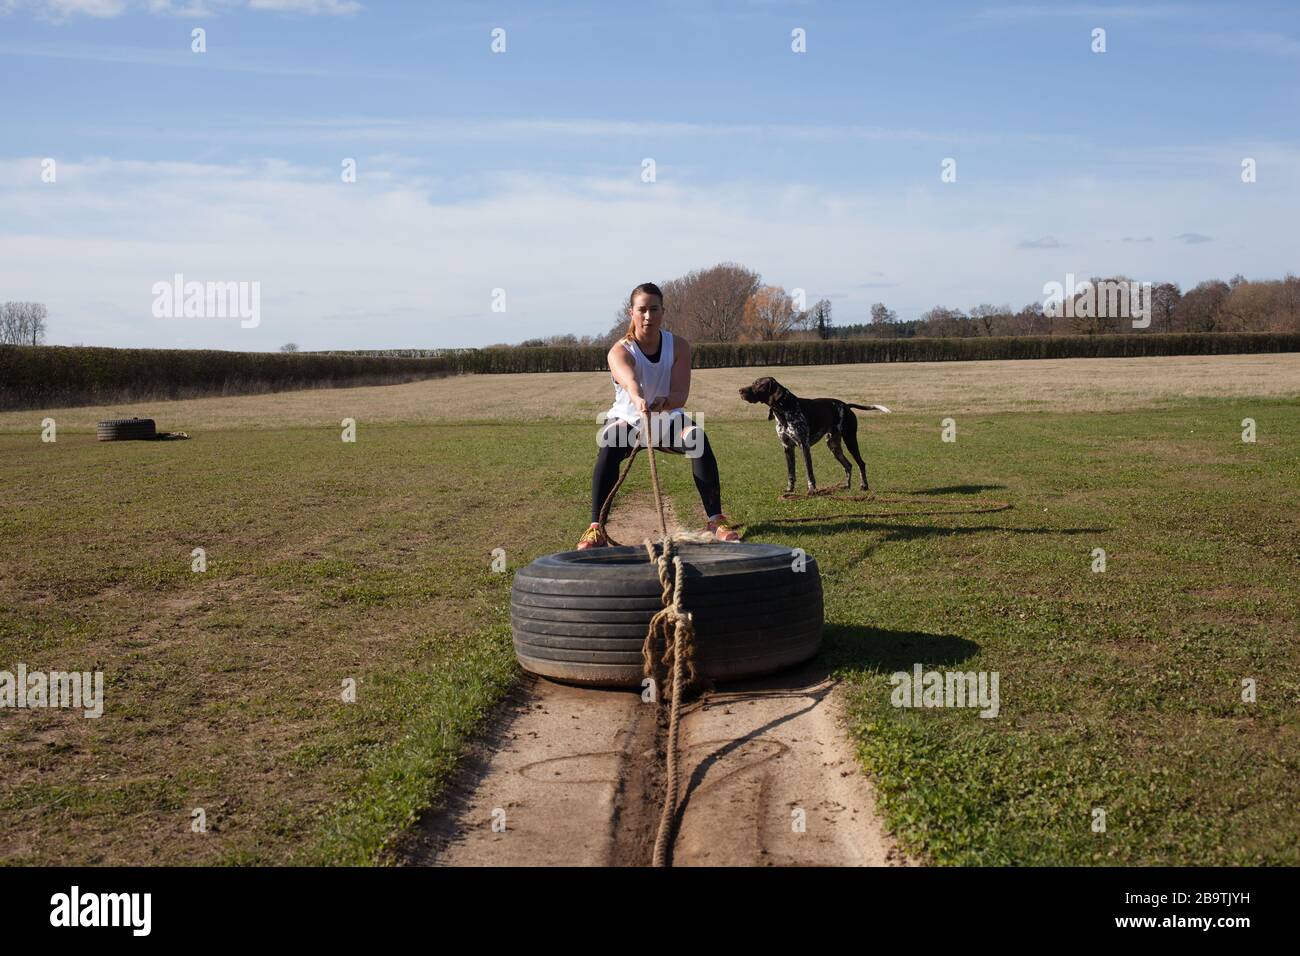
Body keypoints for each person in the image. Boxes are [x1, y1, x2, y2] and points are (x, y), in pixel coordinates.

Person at [577, 282, 740, 549]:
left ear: (663, 311)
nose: (648, 316)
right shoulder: (619, 350)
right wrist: (638, 396)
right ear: (631, 312)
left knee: (697, 438)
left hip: (666, 419)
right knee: (608, 444)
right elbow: (629, 380)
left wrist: (665, 402)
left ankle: (715, 520)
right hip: (628, 420)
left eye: (654, 309)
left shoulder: (678, 346)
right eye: (642, 310)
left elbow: (680, 395)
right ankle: (595, 528)